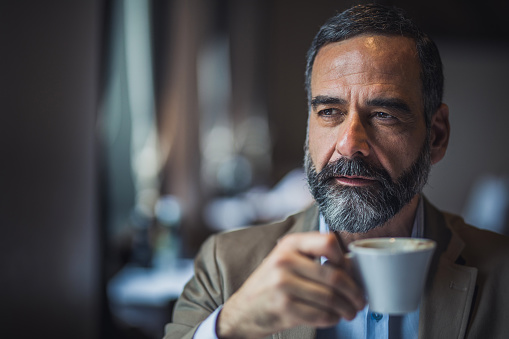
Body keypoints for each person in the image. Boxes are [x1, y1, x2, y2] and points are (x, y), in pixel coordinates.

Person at [164, 3, 509, 339]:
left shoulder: (501, 274)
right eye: (329, 111)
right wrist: (232, 326)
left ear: (436, 136)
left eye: (383, 115)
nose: (349, 144)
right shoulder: (224, 266)